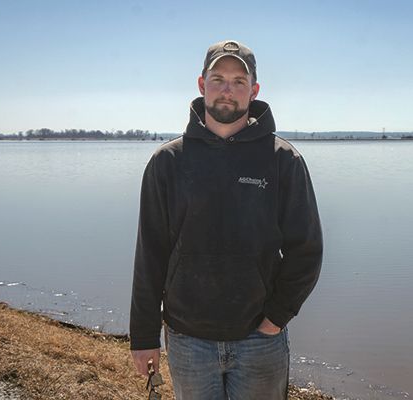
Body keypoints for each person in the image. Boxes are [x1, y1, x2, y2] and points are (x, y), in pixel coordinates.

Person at [129, 39, 323, 400]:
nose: (227, 91)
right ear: (202, 85)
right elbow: (150, 255)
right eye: (218, 79)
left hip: (259, 339)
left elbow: (306, 250)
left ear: (254, 91)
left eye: (239, 82)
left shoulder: (283, 161)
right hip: (188, 340)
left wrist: (275, 319)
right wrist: (143, 337)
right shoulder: (168, 162)